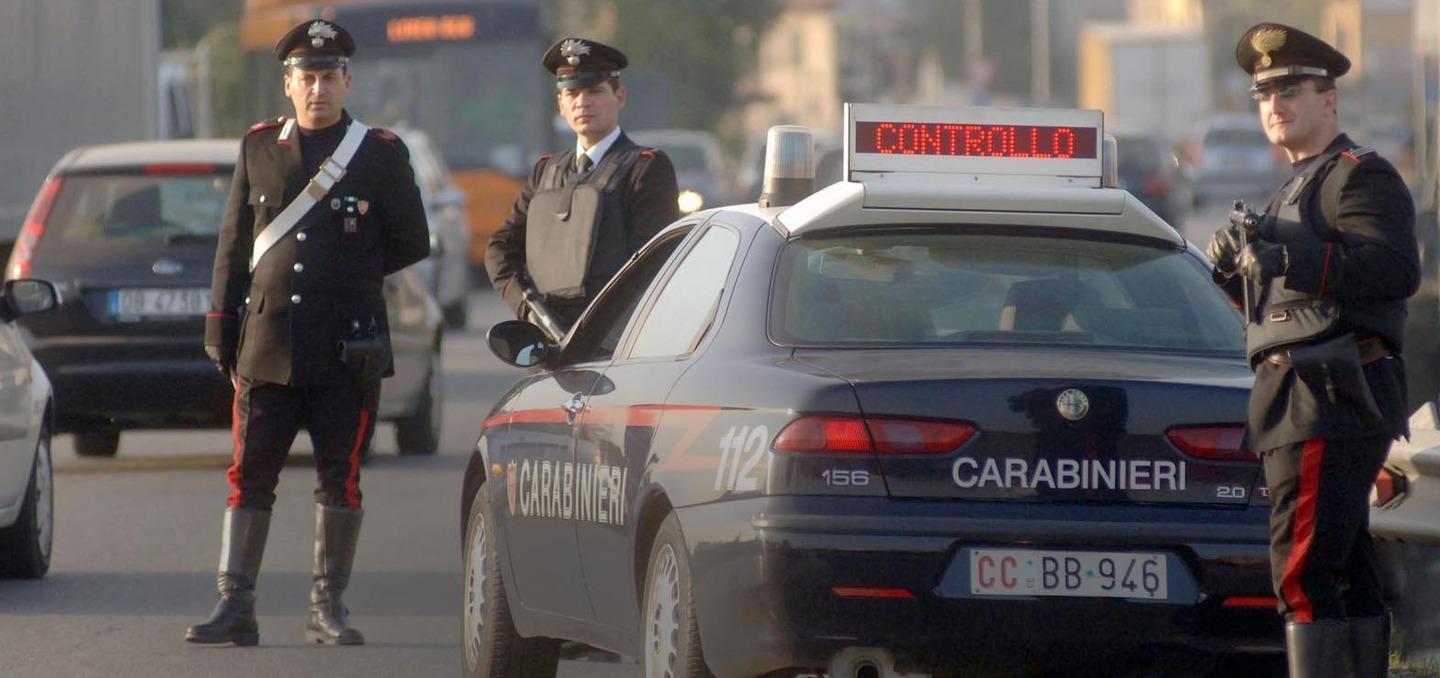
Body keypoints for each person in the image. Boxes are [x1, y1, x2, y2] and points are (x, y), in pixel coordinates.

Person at [186, 18, 430, 647]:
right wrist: (222, 324)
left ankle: (328, 609)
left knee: (339, 477)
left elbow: (411, 240)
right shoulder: (259, 146)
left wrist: (346, 275)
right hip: (267, 342)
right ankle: (234, 606)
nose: (317, 88)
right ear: (288, 84)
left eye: (328, 76)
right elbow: (235, 242)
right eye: (306, 77)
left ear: (347, 81)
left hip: (347, 347)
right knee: (250, 475)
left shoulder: (379, 153)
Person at [1205, 22, 1419, 678]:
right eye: (1263, 94)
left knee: (1301, 573)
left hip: (1329, 391)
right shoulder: (1293, 190)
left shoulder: (1358, 177)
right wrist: (1232, 269)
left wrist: (1286, 255)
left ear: (1330, 98)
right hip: (1299, 395)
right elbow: (1276, 314)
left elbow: (1392, 269)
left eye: (1291, 89)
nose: (1275, 104)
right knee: (1343, 568)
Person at [485, 37, 678, 335]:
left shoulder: (645, 167)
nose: (582, 102)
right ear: (560, 105)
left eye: (595, 92)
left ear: (620, 97)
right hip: (548, 340)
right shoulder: (545, 171)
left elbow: (653, 263)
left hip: (616, 339)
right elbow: (500, 248)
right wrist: (528, 309)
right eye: (572, 93)